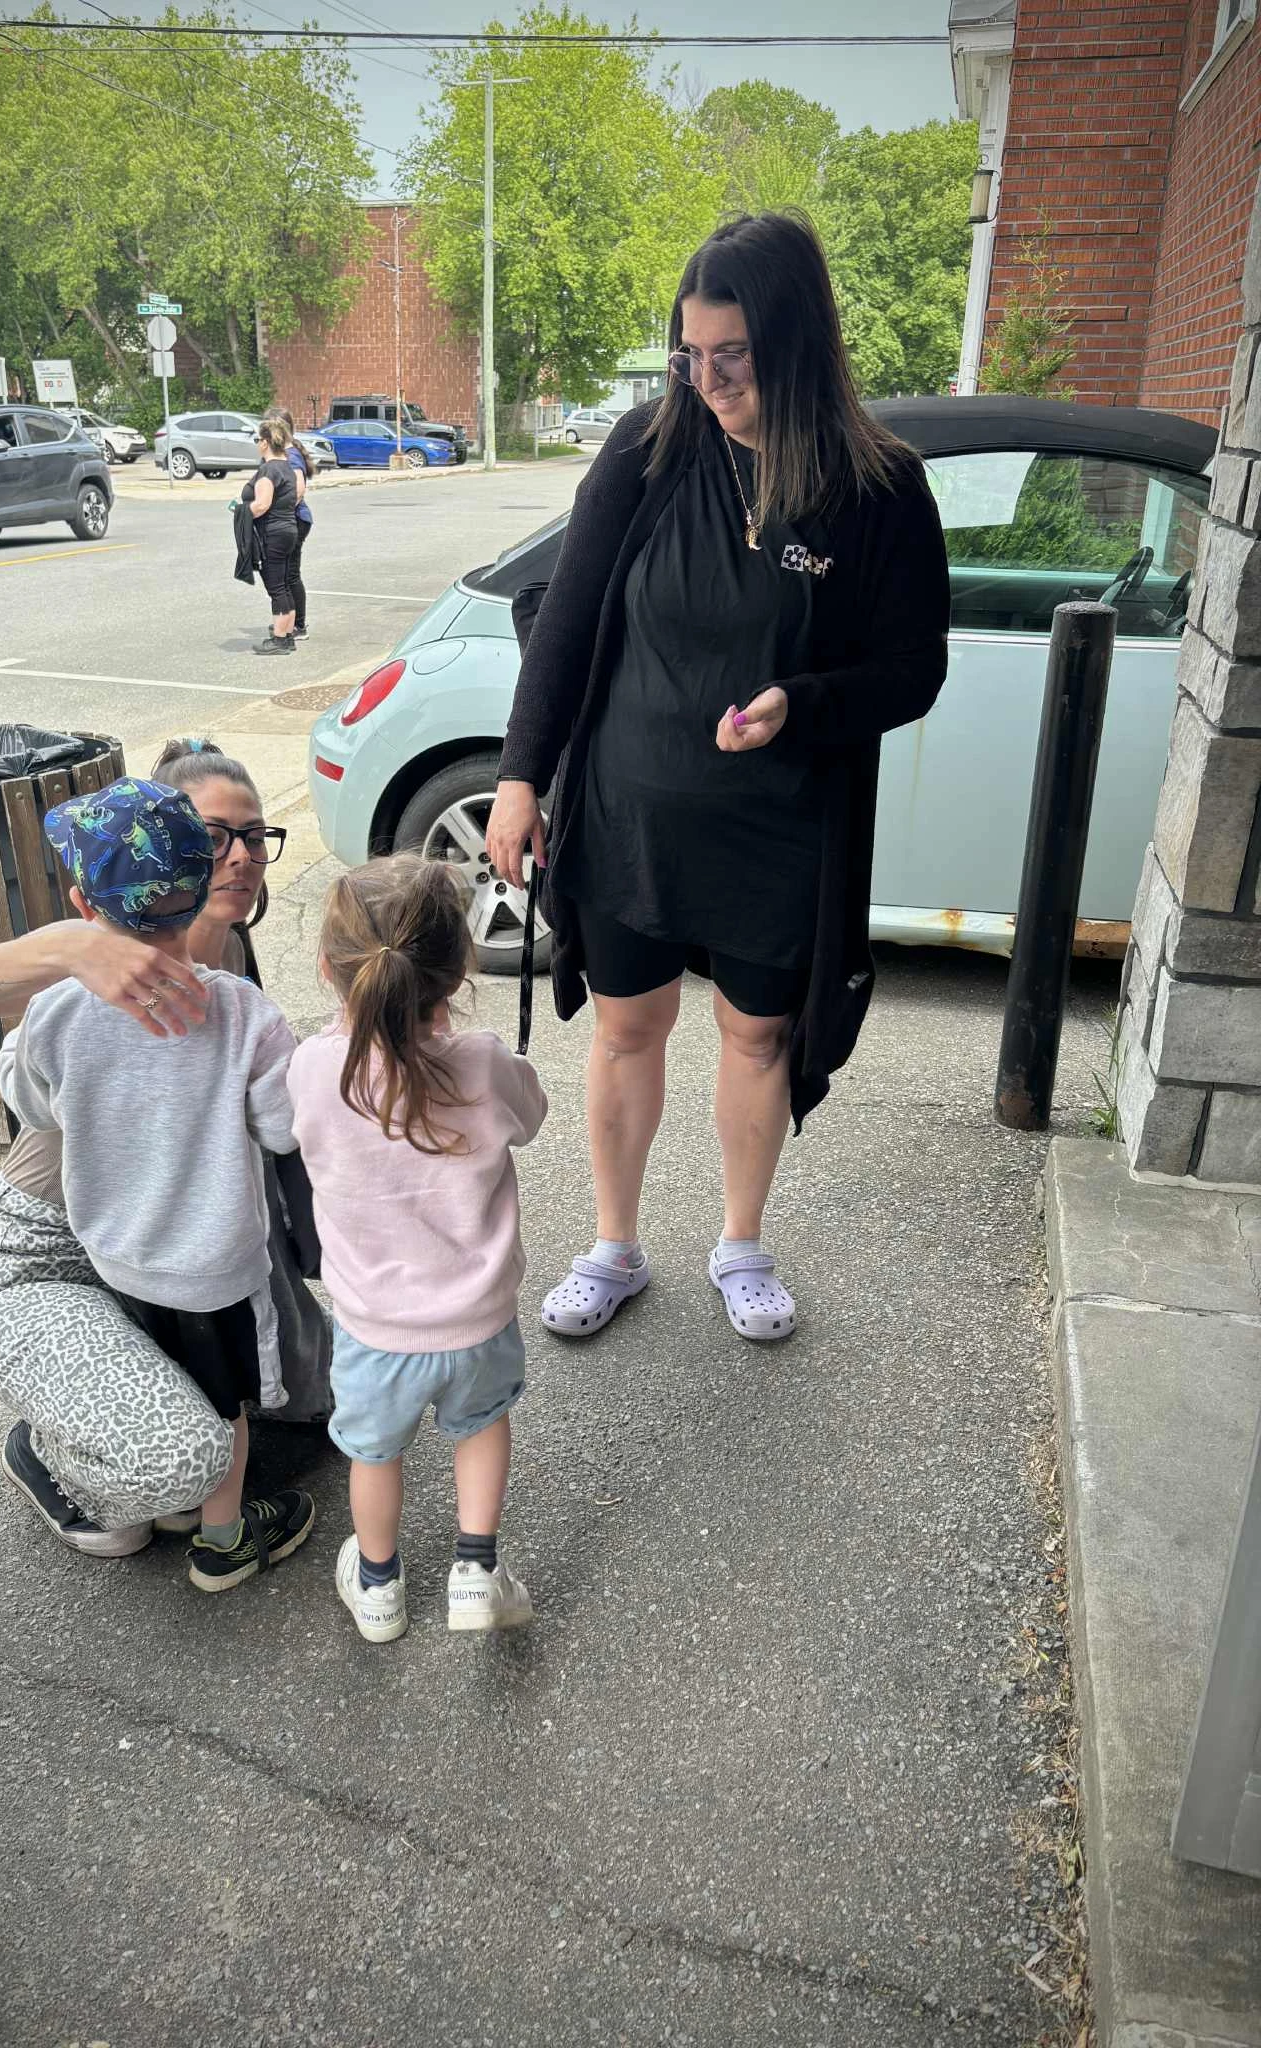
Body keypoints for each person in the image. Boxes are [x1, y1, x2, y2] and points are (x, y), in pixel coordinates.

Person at [484, 212, 950, 1346]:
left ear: (795, 341)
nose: (708, 380)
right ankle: (613, 1244)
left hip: (777, 826)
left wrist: (803, 704)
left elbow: (914, 667)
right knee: (625, 1027)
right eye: (689, 354)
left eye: (732, 355)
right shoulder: (648, 448)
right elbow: (568, 619)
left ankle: (741, 1243)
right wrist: (520, 775)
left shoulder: (878, 486)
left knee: (756, 1037)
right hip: (630, 809)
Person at [0, 739, 329, 1560]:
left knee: (303, 1395)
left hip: (151, 1229)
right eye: (215, 837)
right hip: (52, 1243)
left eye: (254, 835)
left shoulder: (220, 965)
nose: (239, 856)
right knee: (162, 1483)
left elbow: (32, 1094)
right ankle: (55, 1451)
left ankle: (157, 1459)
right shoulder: (84, 978)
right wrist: (65, 948)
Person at [0, 774, 315, 1595]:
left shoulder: (55, 1010)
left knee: (160, 1378)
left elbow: (33, 1107)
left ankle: (171, 1501)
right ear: (200, 891)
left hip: (113, 1254)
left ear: (81, 905)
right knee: (225, 1404)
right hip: (216, 1264)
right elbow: (283, 1128)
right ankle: (223, 1538)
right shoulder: (243, 1013)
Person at [287, 855, 547, 1644]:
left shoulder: (313, 1069)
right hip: (478, 1319)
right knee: (481, 1426)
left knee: (374, 1455)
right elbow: (530, 1116)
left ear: (330, 969)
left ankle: (378, 1588)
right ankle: (475, 1571)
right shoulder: (482, 1062)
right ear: (458, 970)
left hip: (374, 1328)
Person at [244, 418, 301, 655]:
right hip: (289, 529)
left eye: (258, 439)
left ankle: (278, 639)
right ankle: (287, 636)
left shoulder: (268, 470)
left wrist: (241, 510)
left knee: (276, 587)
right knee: (285, 585)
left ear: (265, 443)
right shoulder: (287, 467)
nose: (258, 444)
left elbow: (262, 504)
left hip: (273, 533)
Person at [264, 407, 313, 640]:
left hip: (295, 520)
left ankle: (298, 626)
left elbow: (298, 490)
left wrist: (279, 512)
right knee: (286, 574)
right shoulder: (284, 453)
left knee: (290, 574)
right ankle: (289, 622)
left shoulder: (291, 456)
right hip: (291, 519)